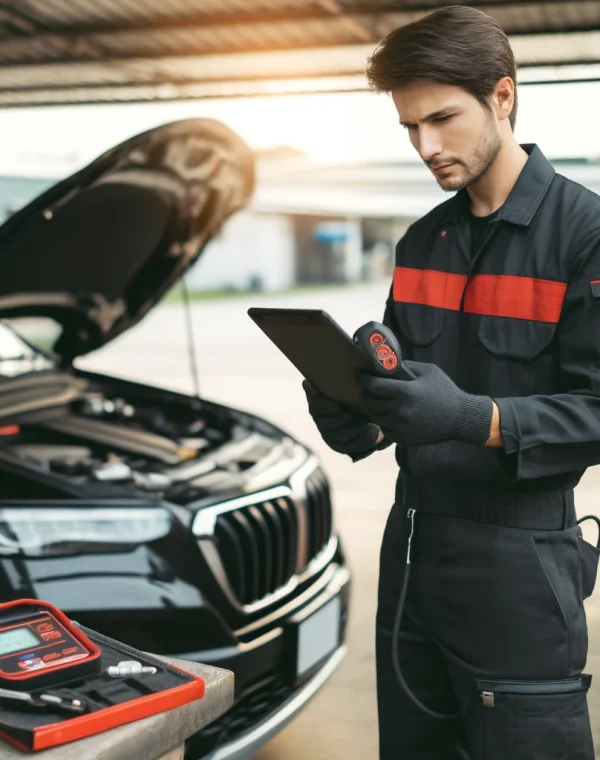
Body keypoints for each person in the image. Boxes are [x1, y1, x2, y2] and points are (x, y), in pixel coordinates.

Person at [303, 5, 600, 759]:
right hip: (409, 556)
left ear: (502, 97)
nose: (426, 146)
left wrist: (473, 419)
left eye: (442, 118)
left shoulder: (585, 237)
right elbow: (402, 404)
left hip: (521, 568)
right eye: (409, 127)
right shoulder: (421, 241)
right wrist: (357, 414)